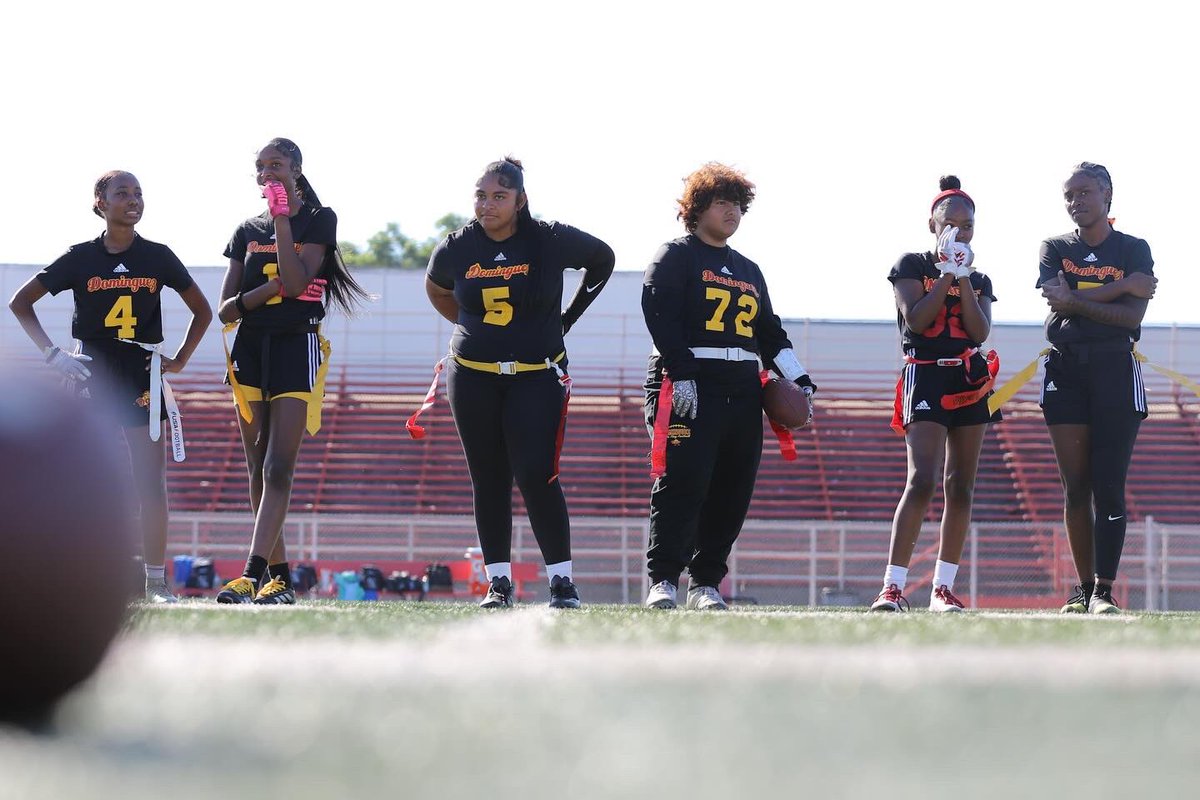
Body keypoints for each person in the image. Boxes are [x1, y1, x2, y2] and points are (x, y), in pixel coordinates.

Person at [8, 170, 212, 603]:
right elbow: (20, 302)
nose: (133, 199)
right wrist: (52, 354)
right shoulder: (80, 257)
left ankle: (155, 584)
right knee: (77, 478)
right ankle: (68, 576)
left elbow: (203, 311)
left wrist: (179, 359)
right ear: (100, 202)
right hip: (92, 371)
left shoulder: (158, 256)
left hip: (140, 370)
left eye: (138, 192)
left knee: (150, 483)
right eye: (122, 193)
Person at [425, 156, 615, 609]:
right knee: (488, 477)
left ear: (520, 200)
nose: (487, 205)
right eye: (481, 196)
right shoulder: (456, 246)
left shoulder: (549, 239)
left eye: (499, 196)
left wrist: (567, 318)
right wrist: (471, 327)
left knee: (536, 474)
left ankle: (562, 582)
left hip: (536, 375)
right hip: (472, 377)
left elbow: (602, 259)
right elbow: (436, 287)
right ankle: (498, 583)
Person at [641, 162, 816, 611]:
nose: (731, 212)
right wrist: (681, 371)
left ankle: (706, 582)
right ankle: (663, 579)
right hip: (689, 380)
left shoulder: (749, 270)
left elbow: (770, 333)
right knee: (683, 481)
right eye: (721, 202)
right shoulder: (675, 255)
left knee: (732, 488)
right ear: (698, 207)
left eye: (737, 204)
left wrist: (799, 378)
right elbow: (660, 315)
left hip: (742, 386)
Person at [215, 137, 370, 604]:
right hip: (249, 350)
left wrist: (282, 219)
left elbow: (300, 282)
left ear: (297, 170)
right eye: (261, 167)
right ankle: (280, 580)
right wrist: (268, 291)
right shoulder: (246, 230)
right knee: (256, 468)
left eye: (277, 165)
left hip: (296, 346)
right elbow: (226, 311)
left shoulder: (319, 219)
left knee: (278, 466)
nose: (268, 173)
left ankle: (250, 575)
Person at [870, 176, 999, 613]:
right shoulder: (911, 265)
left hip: (968, 378)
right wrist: (946, 273)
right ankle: (892, 587)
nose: (959, 232)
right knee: (922, 479)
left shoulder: (980, 278)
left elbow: (979, 332)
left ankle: (943, 588)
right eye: (951, 224)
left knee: (961, 485)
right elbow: (918, 321)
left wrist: (963, 277)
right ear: (933, 225)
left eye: (968, 225)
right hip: (925, 374)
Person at [1037, 162, 1157, 615]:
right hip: (1066, 369)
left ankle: (1105, 591)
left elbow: (1130, 318)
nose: (1076, 201)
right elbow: (1057, 303)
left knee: (1109, 485)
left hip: (1116, 370)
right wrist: (1123, 286)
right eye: (1069, 195)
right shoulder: (1054, 247)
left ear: (1107, 194)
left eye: (1084, 192)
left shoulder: (1134, 248)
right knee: (1076, 488)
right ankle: (1084, 589)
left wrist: (1075, 300)